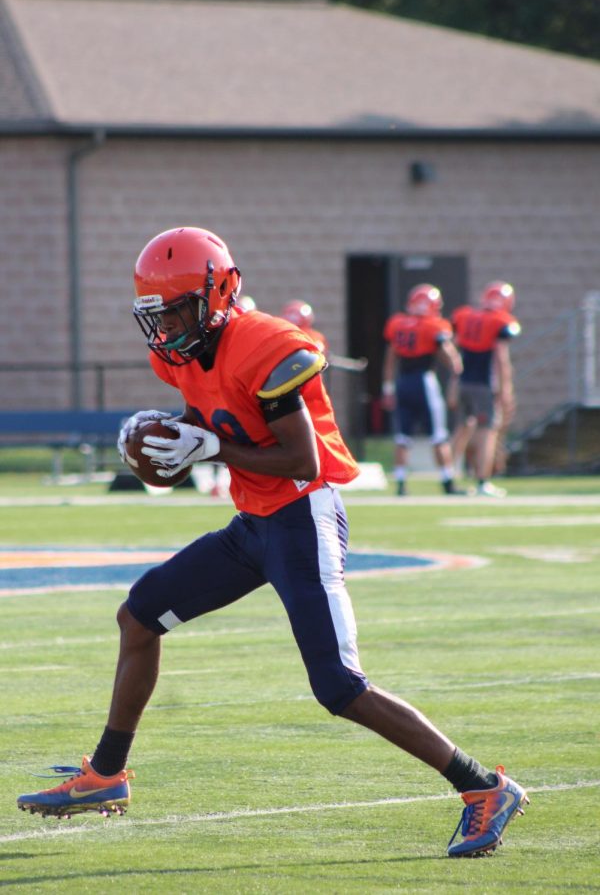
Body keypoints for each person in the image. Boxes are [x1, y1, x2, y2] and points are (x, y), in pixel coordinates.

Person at [17, 227, 528, 857]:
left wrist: (208, 447)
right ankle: (107, 774)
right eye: (158, 314)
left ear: (218, 292)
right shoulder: (180, 354)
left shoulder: (267, 344)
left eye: (178, 308)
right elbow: (216, 417)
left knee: (339, 686)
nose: (168, 326)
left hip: (302, 516)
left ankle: (484, 787)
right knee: (140, 614)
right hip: (254, 523)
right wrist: (165, 435)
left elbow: (298, 457)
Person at [381, 284, 465, 496]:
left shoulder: (398, 323)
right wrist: (455, 362)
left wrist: (388, 388)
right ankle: (447, 481)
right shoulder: (434, 325)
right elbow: (449, 355)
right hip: (424, 381)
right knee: (438, 435)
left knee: (403, 436)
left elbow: (390, 358)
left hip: (402, 382)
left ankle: (400, 483)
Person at [450, 281, 521, 497]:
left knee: (462, 428)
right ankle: (482, 481)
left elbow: (455, 353)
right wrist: (506, 388)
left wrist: (452, 385)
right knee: (487, 431)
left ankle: (447, 475)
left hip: (463, 383)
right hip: (483, 385)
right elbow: (501, 358)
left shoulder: (465, 316)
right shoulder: (500, 322)